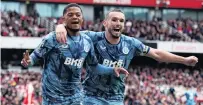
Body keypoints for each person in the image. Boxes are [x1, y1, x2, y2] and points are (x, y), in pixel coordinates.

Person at [55, 9, 198, 105]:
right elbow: (71, 32)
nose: (118, 23)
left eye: (121, 21)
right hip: (90, 97)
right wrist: (61, 26)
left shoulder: (131, 43)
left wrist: (184, 60)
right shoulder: (92, 38)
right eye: (114, 20)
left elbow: (156, 54)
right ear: (105, 23)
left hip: (115, 99)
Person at [21, 4, 129, 105]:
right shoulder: (53, 38)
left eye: (78, 15)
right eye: (70, 15)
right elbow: (34, 57)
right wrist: (28, 62)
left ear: (82, 19)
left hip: (76, 97)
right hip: (53, 98)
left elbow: (94, 66)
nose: (75, 17)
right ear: (64, 19)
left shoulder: (87, 41)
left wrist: (112, 70)